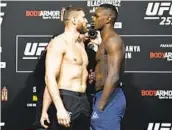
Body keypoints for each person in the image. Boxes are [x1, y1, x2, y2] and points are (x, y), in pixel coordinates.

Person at [42, 6, 91, 130]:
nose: (87, 21)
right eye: (83, 17)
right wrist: (59, 108)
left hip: (83, 100)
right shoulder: (58, 43)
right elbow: (50, 78)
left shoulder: (81, 44)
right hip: (66, 99)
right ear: (74, 20)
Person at [90, 4, 126, 130]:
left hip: (110, 97)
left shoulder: (112, 40)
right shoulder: (103, 42)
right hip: (102, 95)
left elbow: (114, 75)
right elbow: (106, 69)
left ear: (108, 19)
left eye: (96, 16)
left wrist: (101, 105)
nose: (93, 18)